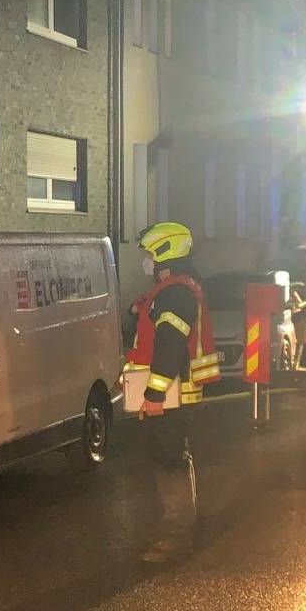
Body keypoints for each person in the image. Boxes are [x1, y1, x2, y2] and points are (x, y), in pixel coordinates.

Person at [123, 221, 222, 563]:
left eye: (149, 255)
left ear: (164, 254)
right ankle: (175, 530)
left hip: (172, 394)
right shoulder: (174, 290)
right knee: (171, 458)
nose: (146, 262)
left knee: (170, 462)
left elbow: (169, 346)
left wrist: (154, 395)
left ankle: (177, 537)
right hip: (174, 392)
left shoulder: (175, 294)